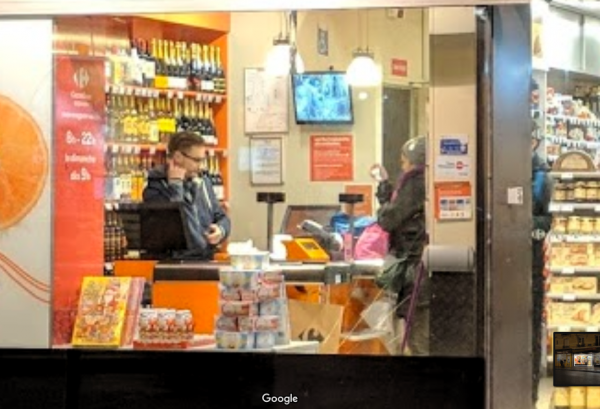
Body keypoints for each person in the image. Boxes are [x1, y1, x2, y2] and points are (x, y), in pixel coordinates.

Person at [376, 135, 428, 356]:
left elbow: (390, 218)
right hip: (418, 264)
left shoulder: (415, 182)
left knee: (417, 339)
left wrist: (383, 202)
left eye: (404, 160)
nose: (402, 165)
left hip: (414, 265)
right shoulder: (424, 181)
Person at [143, 131, 231, 260]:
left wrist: (221, 230)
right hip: (173, 265)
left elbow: (221, 216)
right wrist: (176, 187)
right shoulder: (155, 188)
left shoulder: (203, 182)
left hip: (205, 261)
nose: (201, 166)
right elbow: (176, 229)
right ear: (178, 157)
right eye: (197, 160)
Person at [531, 120, 553, 404]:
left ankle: (578, 392)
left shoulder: (543, 177)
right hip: (513, 263)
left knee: (574, 322)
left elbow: (548, 220)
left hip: (537, 261)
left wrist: (528, 225)